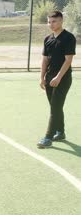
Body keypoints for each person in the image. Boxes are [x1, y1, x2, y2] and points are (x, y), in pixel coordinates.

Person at [38, 10, 76, 148]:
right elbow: (45, 60)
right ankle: (61, 132)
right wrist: (42, 77)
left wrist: (58, 77)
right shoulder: (48, 39)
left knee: (55, 107)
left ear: (61, 21)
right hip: (49, 78)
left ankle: (48, 137)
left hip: (63, 79)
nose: (51, 24)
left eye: (54, 21)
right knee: (56, 107)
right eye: (49, 21)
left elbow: (68, 60)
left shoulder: (69, 38)